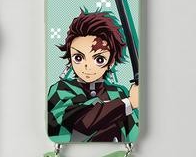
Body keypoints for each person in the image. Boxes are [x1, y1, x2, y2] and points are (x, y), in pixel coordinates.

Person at [47, 10, 138, 143]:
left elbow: (133, 133)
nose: (87, 66)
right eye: (78, 57)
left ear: (111, 62)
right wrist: (128, 103)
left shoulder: (118, 92)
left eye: (99, 59)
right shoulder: (61, 89)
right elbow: (82, 122)